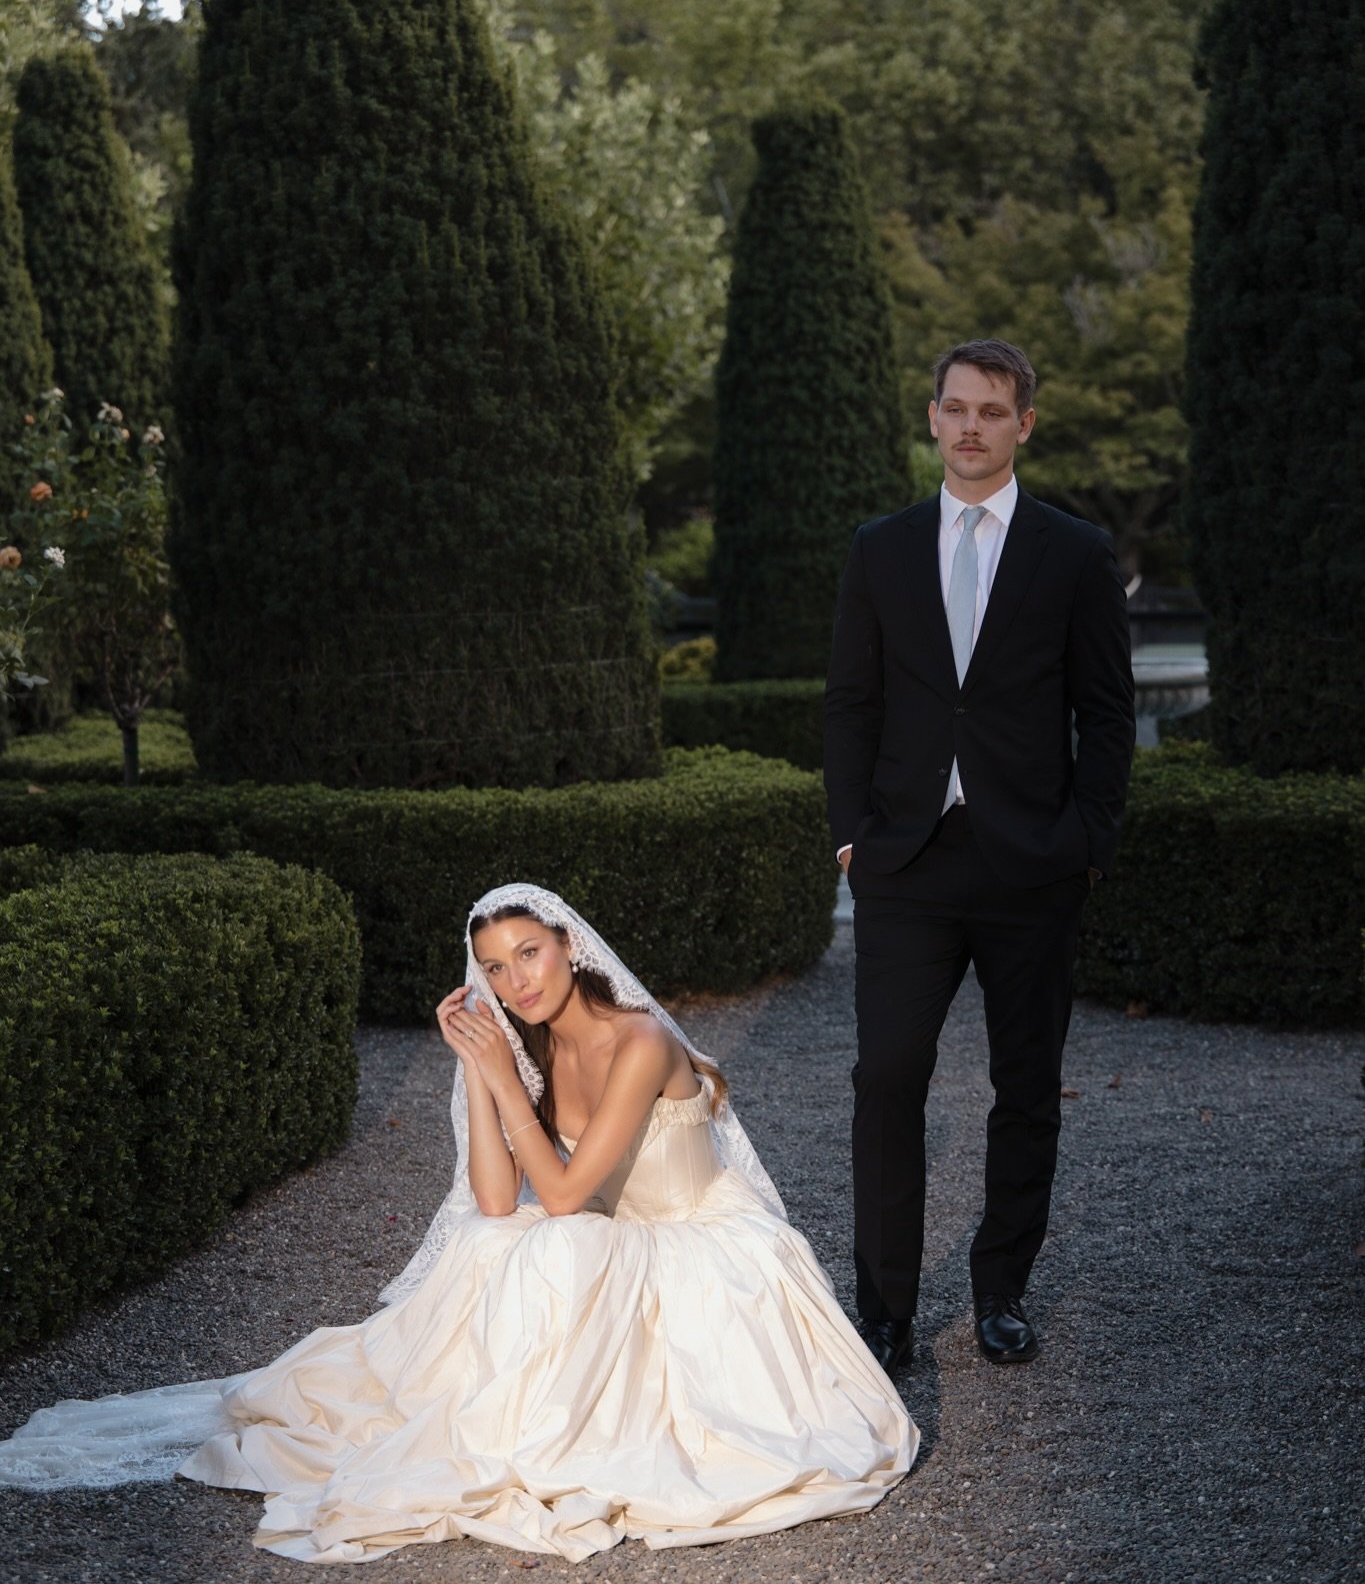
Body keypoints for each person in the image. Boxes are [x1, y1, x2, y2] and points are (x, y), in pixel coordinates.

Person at [0, 883, 916, 1562]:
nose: (514, 981)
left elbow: (556, 1196)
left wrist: (510, 1089)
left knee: (557, 1246)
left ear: (569, 945)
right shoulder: (535, 1046)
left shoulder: (640, 1040)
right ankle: (500, 1422)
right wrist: (484, 1069)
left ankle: (532, 1434)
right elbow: (490, 1198)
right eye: (492, 969)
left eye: (528, 954)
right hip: (602, 1240)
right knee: (497, 1243)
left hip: (704, 1250)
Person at [824, 338, 1135, 1376]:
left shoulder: (1074, 552)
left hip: (1030, 863)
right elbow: (853, 704)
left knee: (1026, 1086)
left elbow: (1107, 711)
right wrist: (850, 830)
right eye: (955, 409)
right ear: (931, 418)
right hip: (907, 861)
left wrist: (1086, 840)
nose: (970, 428)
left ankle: (1001, 1291)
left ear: (1023, 425)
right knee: (887, 1077)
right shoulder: (882, 547)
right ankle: (888, 1311)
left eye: (992, 412)